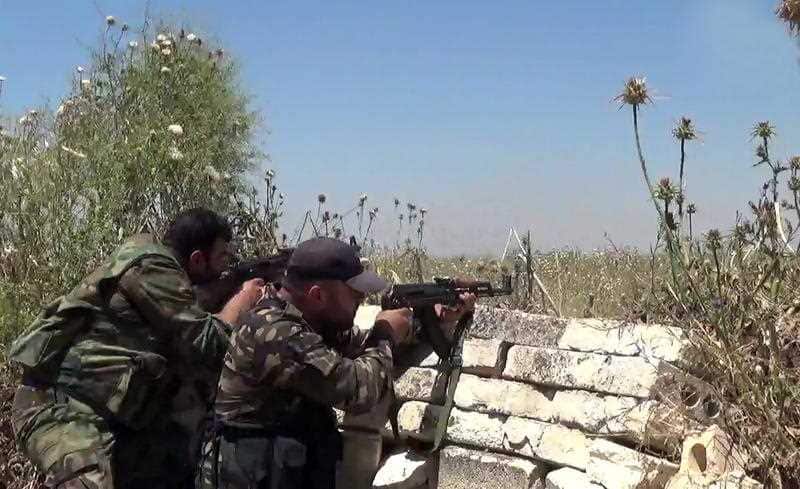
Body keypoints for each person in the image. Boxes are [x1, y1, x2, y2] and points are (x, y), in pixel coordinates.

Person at [10, 208, 265, 489]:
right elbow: (209, 343)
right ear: (196, 258)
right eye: (221, 258)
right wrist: (244, 299)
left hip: (111, 419)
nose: (225, 267)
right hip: (59, 409)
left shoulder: (157, 268)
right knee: (88, 482)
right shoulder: (152, 267)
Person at [197, 237, 475, 489]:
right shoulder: (275, 331)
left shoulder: (309, 323)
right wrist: (385, 333)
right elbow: (358, 389)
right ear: (317, 295)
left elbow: (369, 356)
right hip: (253, 473)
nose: (362, 299)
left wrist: (433, 319)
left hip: (282, 469)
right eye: (354, 293)